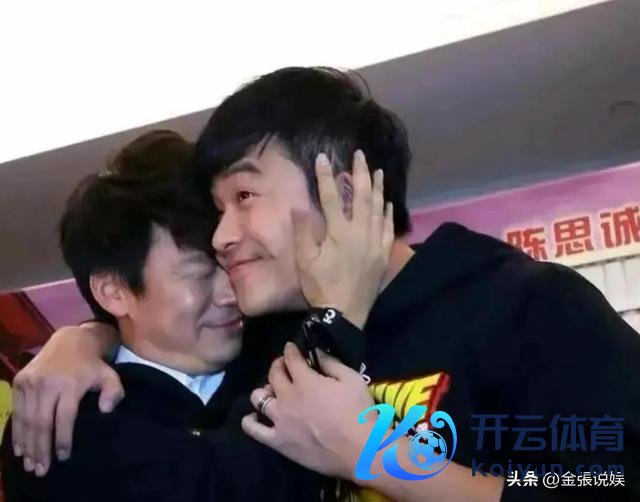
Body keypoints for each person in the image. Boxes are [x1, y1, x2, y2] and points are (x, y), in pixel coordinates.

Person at [11, 67, 640, 501]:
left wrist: (383, 460)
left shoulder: (524, 306)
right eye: (217, 209)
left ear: (344, 192)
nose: (223, 236)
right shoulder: (276, 344)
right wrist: (85, 338)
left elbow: (605, 481)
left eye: (245, 196)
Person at [1, 129, 394, 501]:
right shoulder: (65, 420)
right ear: (114, 291)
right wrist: (335, 321)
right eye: (199, 273)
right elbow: (227, 487)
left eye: (232, 263)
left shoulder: (284, 335)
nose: (230, 293)